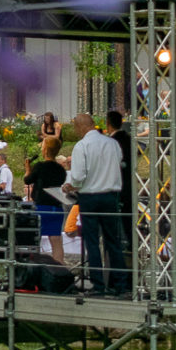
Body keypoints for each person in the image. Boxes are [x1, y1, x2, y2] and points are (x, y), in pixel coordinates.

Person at [66, 112, 127, 296]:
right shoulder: (112, 143)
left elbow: (78, 176)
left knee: (92, 242)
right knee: (113, 241)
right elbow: (118, 164)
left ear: (81, 126)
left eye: (76, 127)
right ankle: (120, 284)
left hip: (90, 197)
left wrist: (70, 186)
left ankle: (98, 285)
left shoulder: (81, 146)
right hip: (110, 196)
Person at [24, 136, 70, 274]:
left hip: (41, 206)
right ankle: (59, 271)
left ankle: (35, 271)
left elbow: (27, 180)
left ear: (45, 149)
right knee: (56, 240)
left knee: (34, 239)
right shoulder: (60, 169)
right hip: (56, 206)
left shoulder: (40, 166)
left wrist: (28, 169)